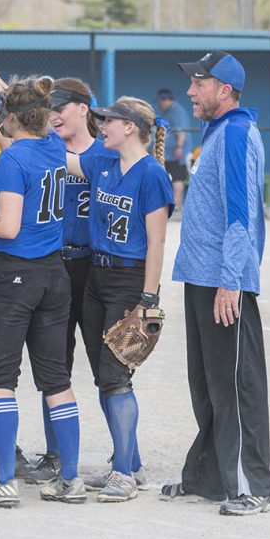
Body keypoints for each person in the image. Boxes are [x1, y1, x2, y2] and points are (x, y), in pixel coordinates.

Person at [163, 51, 270, 516]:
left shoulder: (234, 133)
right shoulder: (215, 133)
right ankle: (209, 477)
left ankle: (256, 487)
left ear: (223, 90)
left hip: (224, 281)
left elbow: (240, 214)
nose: (191, 91)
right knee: (207, 384)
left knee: (238, 383)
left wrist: (232, 281)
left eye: (199, 83)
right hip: (201, 276)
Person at [0, 75, 85, 508]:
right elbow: (22, 146)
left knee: (0, 379)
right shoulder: (54, 144)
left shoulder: (15, 159)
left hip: (13, 273)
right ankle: (70, 479)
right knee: (56, 379)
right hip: (54, 275)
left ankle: (5, 482)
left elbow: (8, 226)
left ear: (13, 116)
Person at [63, 97, 173, 503]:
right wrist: (5, 127)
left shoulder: (151, 174)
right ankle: (132, 464)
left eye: (109, 120)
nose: (102, 125)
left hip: (129, 281)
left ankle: (124, 473)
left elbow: (158, 240)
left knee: (115, 377)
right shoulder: (103, 164)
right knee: (103, 377)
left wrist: (148, 297)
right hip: (96, 277)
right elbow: (60, 159)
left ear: (130, 127)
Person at [156, 88, 192, 210]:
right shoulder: (167, 112)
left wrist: (179, 147)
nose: (159, 104)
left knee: (177, 178)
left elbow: (181, 132)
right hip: (170, 153)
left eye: (160, 101)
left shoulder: (176, 111)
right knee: (171, 178)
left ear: (165, 100)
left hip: (178, 153)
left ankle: (177, 206)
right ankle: (175, 205)